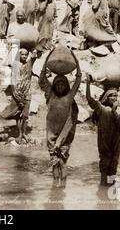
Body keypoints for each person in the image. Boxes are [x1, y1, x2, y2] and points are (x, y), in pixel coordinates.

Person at [39, 48, 81, 187]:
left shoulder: (69, 97)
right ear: (54, 86)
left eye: (63, 83)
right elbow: (42, 80)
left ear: (67, 86)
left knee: (62, 162)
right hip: (51, 135)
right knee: (54, 162)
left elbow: (78, 78)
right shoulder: (50, 96)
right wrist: (47, 59)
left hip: (65, 135)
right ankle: (55, 189)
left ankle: (61, 189)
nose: (61, 86)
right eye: (58, 83)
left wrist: (75, 58)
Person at [86, 75, 120, 186]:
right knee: (104, 168)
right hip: (104, 145)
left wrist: (114, 111)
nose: (113, 98)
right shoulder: (102, 109)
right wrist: (88, 84)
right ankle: (103, 191)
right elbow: (89, 99)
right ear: (107, 97)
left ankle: (109, 195)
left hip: (115, 145)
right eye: (111, 95)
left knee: (113, 169)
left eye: (115, 96)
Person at [0, 48, 34, 144]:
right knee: (18, 115)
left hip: (27, 92)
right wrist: (16, 93)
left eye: (25, 55)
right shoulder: (15, 65)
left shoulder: (29, 65)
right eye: (22, 54)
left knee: (25, 115)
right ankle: (19, 133)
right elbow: (13, 80)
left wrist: (34, 50)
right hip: (17, 92)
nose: (24, 56)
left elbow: (35, 56)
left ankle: (24, 133)